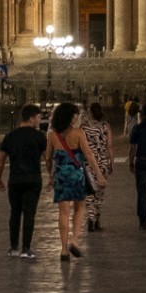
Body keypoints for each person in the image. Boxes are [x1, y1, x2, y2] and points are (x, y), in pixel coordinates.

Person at [0, 104, 47, 258]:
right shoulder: (39, 137)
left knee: (15, 213)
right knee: (29, 214)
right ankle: (26, 248)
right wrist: (52, 176)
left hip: (15, 179)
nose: (39, 121)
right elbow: (48, 158)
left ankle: (13, 247)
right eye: (38, 118)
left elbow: (0, 160)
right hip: (33, 179)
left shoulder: (10, 136)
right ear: (31, 118)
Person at [46, 102, 95, 261]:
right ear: (69, 116)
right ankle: (74, 240)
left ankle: (63, 250)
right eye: (75, 115)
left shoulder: (52, 136)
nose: (77, 117)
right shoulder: (79, 133)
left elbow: (48, 158)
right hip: (76, 175)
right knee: (80, 207)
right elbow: (88, 154)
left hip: (61, 176)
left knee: (63, 212)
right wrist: (98, 174)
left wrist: (50, 175)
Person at [82, 102, 114, 232]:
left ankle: (90, 219)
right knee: (100, 192)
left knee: (90, 191)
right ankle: (97, 220)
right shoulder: (106, 126)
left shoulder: (84, 127)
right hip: (102, 161)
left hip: (89, 162)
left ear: (90, 113)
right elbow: (110, 146)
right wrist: (111, 162)